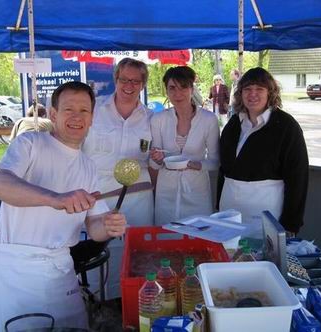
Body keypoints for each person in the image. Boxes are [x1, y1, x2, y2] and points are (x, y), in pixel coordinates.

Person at [0, 81, 127, 331]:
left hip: (60, 271)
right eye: (69, 109)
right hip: (16, 270)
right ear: (53, 114)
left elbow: (94, 227)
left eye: (84, 111)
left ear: (92, 118)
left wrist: (109, 225)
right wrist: (56, 198)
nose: (77, 117)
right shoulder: (30, 144)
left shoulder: (88, 166)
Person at [81, 58, 154, 298]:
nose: (129, 85)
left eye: (136, 81)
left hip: (140, 197)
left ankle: (134, 300)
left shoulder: (151, 118)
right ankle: (103, 301)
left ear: (142, 84)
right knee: (102, 251)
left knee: (137, 252)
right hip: (100, 199)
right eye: (124, 79)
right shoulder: (94, 111)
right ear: (116, 79)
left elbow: (154, 160)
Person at [217, 67, 309, 236]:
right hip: (230, 212)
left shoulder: (286, 126)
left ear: (270, 93)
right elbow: (223, 170)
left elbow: (298, 177)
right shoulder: (233, 124)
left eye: (259, 89)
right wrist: (217, 206)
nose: (253, 94)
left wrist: (291, 223)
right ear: (240, 93)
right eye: (247, 89)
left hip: (265, 215)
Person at [150, 66, 220, 225]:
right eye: (172, 88)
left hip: (197, 190)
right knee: (167, 237)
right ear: (166, 91)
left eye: (183, 87)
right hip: (166, 190)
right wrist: (157, 158)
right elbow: (154, 163)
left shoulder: (208, 120)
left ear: (191, 88)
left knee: (199, 237)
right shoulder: (158, 119)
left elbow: (215, 161)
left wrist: (194, 165)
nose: (177, 93)